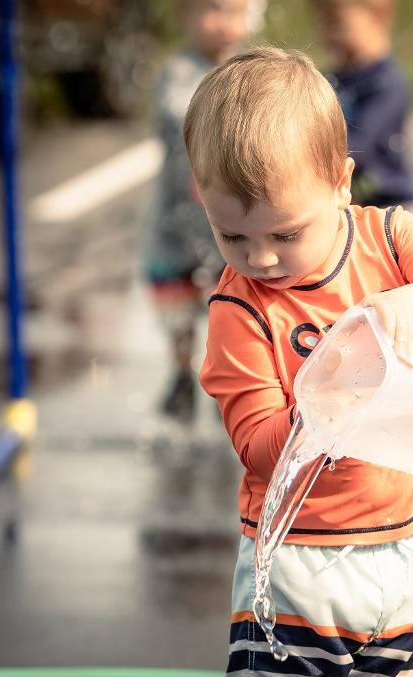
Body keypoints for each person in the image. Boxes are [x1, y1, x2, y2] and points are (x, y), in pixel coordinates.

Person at [184, 47, 413, 677]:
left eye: (286, 233)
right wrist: (328, 392)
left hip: (406, 556)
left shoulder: (390, 238)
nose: (263, 259)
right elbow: (259, 449)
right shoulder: (240, 309)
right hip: (302, 567)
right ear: (202, 197)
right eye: (233, 238)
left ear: (340, 181)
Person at [143, 0, 251, 422]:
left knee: (227, 296)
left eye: (235, 11)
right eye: (214, 10)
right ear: (184, 16)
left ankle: (226, 373)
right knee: (177, 299)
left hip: (224, 219)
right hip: (177, 215)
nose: (226, 22)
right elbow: (175, 116)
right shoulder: (178, 72)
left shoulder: (248, 68)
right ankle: (180, 373)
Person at [313, 0, 413, 210]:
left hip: (392, 206)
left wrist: (307, 156)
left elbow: (360, 145)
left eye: (335, 22)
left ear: (378, 17)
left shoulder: (387, 83)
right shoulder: (334, 79)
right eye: (322, 21)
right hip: (355, 204)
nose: (326, 32)